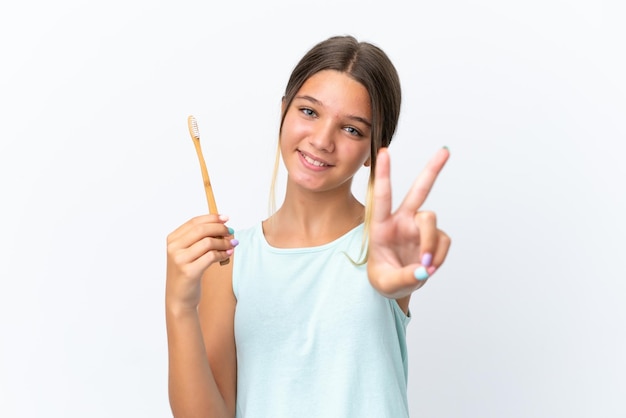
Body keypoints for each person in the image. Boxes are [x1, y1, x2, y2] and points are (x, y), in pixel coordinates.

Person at [165, 35, 451, 418]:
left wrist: (405, 273)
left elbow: (399, 274)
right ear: (283, 111)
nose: (321, 140)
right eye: (309, 112)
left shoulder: (384, 248)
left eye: (352, 129)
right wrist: (179, 306)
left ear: (373, 151)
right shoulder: (230, 261)